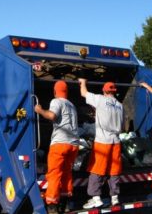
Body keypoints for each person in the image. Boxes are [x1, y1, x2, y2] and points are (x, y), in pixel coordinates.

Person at [34, 80, 80, 214]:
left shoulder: (56, 101)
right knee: (66, 173)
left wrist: (39, 110)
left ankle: (52, 206)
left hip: (60, 144)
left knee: (54, 174)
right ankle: (65, 204)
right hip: (73, 145)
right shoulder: (72, 105)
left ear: (55, 91)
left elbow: (52, 115)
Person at [78, 78, 124, 209]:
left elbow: (84, 93)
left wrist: (83, 82)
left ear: (104, 90)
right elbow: (122, 125)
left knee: (97, 169)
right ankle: (115, 197)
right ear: (114, 91)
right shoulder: (120, 105)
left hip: (103, 141)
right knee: (114, 170)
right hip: (116, 141)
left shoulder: (100, 99)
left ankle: (96, 198)